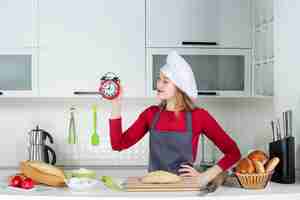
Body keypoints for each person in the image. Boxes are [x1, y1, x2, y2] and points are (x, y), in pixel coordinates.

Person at [108, 51, 241, 186]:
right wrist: (116, 103)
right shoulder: (150, 114)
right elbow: (118, 144)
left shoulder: (199, 116)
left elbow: (234, 153)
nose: (159, 85)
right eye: (159, 79)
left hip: (186, 187)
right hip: (155, 187)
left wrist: (205, 176)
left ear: (180, 88)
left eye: (165, 81)